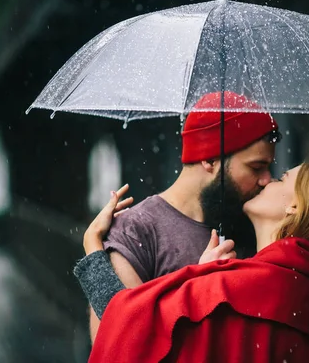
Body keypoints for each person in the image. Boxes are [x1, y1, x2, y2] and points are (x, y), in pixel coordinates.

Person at [74, 161, 309, 362]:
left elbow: (128, 334)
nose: (268, 180)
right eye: (258, 168)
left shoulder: (233, 288)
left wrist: (92, 247)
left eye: (282, 178)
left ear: (294, 207)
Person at [87, 91, 281, 340]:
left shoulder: (253, 224)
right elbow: (118, 342)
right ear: (210, 158)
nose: (267, 179)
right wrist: (199, 288)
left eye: (269, 167)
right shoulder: (134, 230)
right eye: (256, 167)